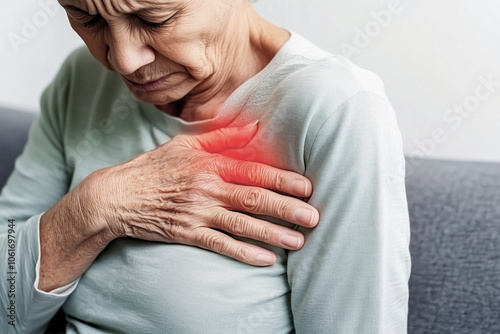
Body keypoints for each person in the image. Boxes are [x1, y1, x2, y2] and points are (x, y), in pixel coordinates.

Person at [0, 0, 411, 333]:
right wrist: (97, 206)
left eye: (153, 18)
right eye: (86, 17)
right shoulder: (82, 78)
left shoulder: (334, 109)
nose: (123, 61)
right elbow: (6, 306)